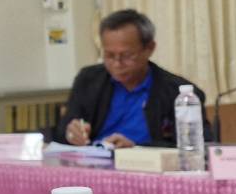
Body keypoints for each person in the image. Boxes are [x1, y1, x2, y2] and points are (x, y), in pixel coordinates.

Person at [56, 9, 212, 148]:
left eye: (126, 55)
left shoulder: (178, 93)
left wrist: (137, 149)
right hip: (93, 164)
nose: (117, 64)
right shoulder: (89, 80)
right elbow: (62, 133)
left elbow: (198, 145)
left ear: (149, 49)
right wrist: (71, 134)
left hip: (147, 168)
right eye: (109, 55)